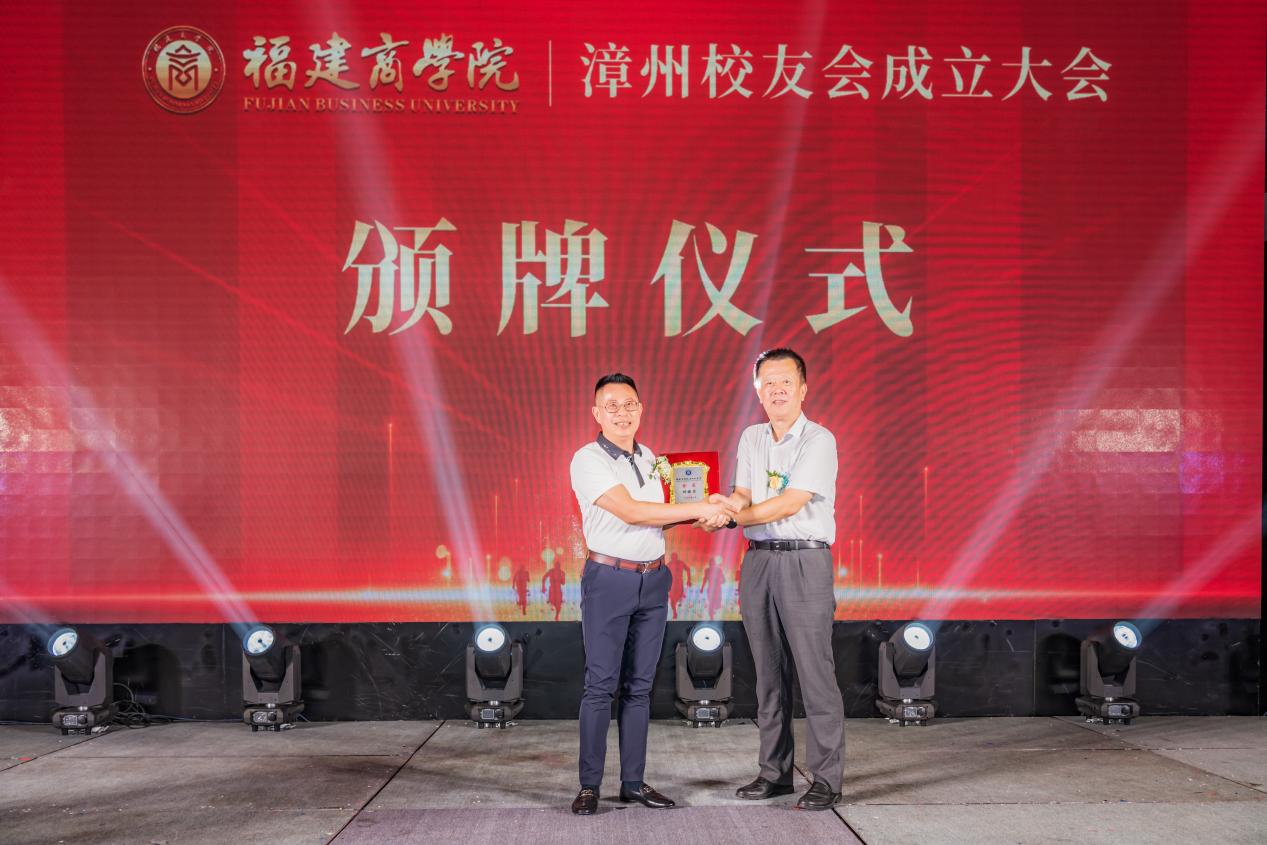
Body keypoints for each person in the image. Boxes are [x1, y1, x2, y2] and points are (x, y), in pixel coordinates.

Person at [568, 373, 735, 816]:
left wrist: (705, 513)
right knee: (600, 686)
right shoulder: (587, 459)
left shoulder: (650, 459)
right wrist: (700, 507)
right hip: (609, 579)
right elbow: (630, 511)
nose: (621, 413)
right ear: (597, 413)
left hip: (654, 579)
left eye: (629, 405)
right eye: (612, 406)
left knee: (640, 687)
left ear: (641, 410)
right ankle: (589, 786)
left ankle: (633, 783)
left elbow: (660, 516)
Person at [702, 348, 844, 810]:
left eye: (786, 381)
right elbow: (743, 493)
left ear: (803, 389)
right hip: (759, 561)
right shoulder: (752, 437)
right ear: (758, 391)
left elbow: (790, 502)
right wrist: (721, 506)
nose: (777, 390)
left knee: (815, 673)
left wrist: (729, 518)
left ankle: (826, 778)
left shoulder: (818, 439)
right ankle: (775, 772)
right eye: (768, 383)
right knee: (768, 674)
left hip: (805, 560)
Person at [666, 552, 691, 619]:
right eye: (672, 557)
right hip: (672, 584)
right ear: (671, 558)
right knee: (672, 600)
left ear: (676, 557)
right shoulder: (669, 564)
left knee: (679, 597)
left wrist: (689, 580)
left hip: (679, 583)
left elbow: (688, 569)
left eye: (675, 557)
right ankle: (675, 612)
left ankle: (680, 600)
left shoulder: (681, 563)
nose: (674, 558)